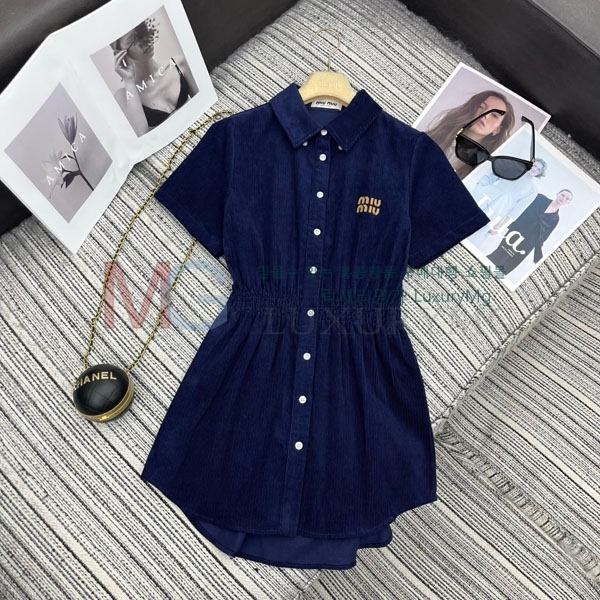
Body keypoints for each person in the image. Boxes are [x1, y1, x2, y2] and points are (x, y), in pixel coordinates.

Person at [111, 18, 198, 136]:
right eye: (133, 40)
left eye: (143, 32)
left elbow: (204, 102)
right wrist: (129, 80)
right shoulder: (123, 96)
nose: (144, 41)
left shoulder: (179, 64)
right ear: (119, 54)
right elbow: (141, 133)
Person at [426, 90, 516, 178]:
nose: (485, 114)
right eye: (481, 106)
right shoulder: (435, 136)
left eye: (494, 115)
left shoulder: (484, 169)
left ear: (497, 130)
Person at [467, 158, 548, 254]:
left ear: (540, 173)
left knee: (477, 233)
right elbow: (492, 176)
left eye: (538, 169)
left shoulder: (533, 190)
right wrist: (480, 186)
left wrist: (501, 226)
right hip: (486, 196)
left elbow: (517, 210)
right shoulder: (513, 171)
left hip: (499, 210)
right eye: (534, 166)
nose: (535, 169)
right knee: (466, 216)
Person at [486, 189, 573, 274]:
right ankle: (482, 272)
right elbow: (520, 210)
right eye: (562, 195)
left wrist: (537, 256)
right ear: (557, 194)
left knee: (507, 266)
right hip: (516, 232)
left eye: (567, 199)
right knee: (499, 255)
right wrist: (501, 226)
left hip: (528, 244)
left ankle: (492, 281)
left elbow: (543, 237)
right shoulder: (540, 198)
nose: (563, 198)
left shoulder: (555, 219)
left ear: (568, 203)